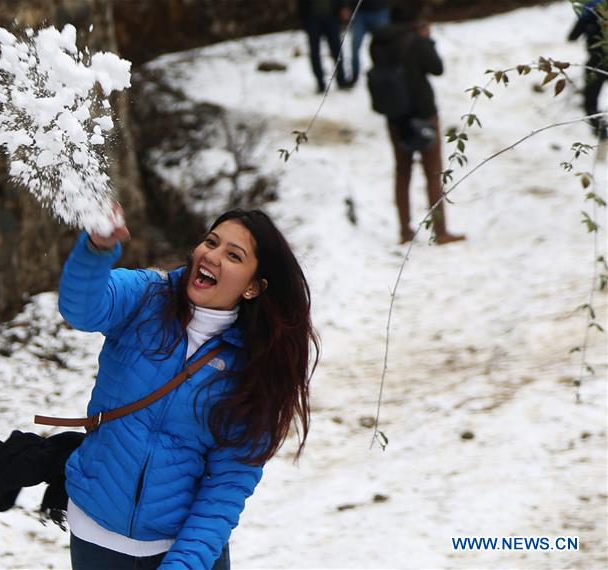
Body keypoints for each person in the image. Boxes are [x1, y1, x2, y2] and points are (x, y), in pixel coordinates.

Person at [58, 208, 319, 569]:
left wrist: (184, 563)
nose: (212, 255)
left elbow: (227, 485)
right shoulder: (147, 298)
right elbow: (81, 309)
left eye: (233, 255)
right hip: (96, 540)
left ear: (252, 286)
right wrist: (97, 249)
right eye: (211, 242)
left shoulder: (254, 369)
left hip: (183, 550)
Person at [370, 0, 465, 244]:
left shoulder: (379, 40)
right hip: (423, 113)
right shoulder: (418, 41)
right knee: (433, 172)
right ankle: (440, 231)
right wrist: (427, 39)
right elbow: (437, 67)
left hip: (395, 115)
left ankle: (404, 231)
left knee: (403, 172)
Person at [568, 0, 608, 140]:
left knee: (590, 101)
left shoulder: (589, 11)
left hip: (596, 63)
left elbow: (572, 36)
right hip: (597, 63)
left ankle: (601, 131)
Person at [297, 0, 351, 93]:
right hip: (313, 19)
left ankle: (341, 80)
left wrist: (342, 7)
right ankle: (320, 83)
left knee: (337, 50)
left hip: (331, 17)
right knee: (315, 53)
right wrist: (304, 21)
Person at [345, 0, 391, 84]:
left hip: (379, 11)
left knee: (384, 44)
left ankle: (383, 71)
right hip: (360, 12)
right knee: (355, 44)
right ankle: (355, 74)